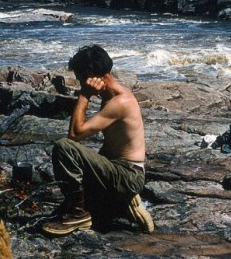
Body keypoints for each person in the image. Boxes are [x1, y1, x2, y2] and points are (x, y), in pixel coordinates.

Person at [43, 45, 154, 236]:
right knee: (61, 212)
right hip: (118, 169)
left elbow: (75, 135)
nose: (79, 84)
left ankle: (80, 214)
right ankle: (122, 203)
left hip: (127, 175)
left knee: (64, 147)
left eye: (80, 79)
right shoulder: (114, 93)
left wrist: (84, 94)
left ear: (91, 77)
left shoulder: (119, 102)